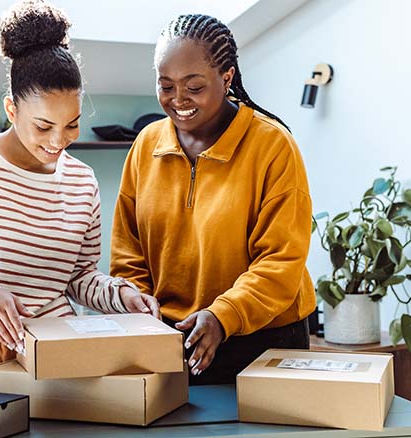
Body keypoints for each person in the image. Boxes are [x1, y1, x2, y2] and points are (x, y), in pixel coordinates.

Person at [0, 0, 159, 396]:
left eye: (72, 125)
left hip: (57, 346)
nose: (58, 141)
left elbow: (78, 276)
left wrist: (121, 296)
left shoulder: (81, 181)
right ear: (11, 108)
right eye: (43, 126)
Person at [110, 13, 315, 385]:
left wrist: (224, 316)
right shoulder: (146, 145)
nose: (178, 100)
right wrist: (138, 305)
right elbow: (128, 251)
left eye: (194, 86)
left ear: (227, 78)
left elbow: (281, 261)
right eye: (166, 85)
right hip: (171, 338)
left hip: (263, 340)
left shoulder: (272, 146)